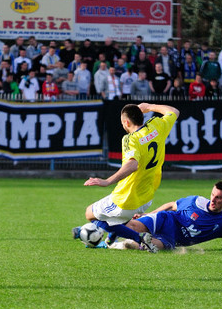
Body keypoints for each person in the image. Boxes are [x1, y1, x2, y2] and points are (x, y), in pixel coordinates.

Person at [73, 103, 179, 251]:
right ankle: (109, 238)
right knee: (115, 220)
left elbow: (132, 165)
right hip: (147, 196)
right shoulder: (157, 125)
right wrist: (149, 106)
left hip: (126, 197)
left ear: (126, 122)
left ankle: (139, 238)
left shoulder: (130, 139)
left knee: (90, 213)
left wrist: (107, 181)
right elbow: (174, 111)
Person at [114, 181, 222, 253]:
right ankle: (101, 229)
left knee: (150, 246)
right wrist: (147, 215)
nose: (213, 200)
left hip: (172, 238)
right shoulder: (195, 201)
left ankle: (120, 244)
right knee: (132, 225)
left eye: (219, 197)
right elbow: (170, 205)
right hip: (165, 219)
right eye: (213, 195)